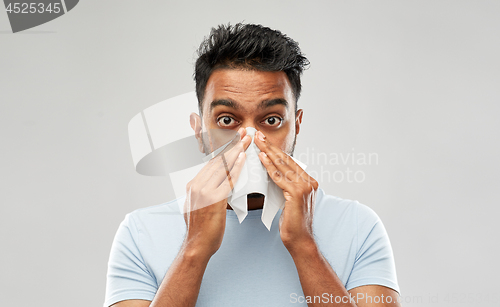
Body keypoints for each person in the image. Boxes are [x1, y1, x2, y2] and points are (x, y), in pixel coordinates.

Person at [104, 23, 401, 307]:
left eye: (271, 120)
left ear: (296, 126)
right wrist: (194, 249)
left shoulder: (358, 226)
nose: (249, 139)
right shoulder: (141, 232)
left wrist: (304, 245)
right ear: (199, 132)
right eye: (227, 120)